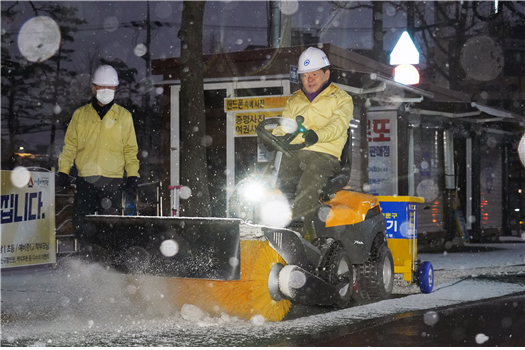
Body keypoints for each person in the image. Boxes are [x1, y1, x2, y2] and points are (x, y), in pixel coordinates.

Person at [272, 47, 354, 241]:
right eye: (305, 75)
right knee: (272, 180)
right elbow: (284, 126)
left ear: (326, 74)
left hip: (325, 156)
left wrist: (317, 135)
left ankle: (302, 235)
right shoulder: (295, 100)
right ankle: (264, 223)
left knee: (311, 178)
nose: (309, 80)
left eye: (314, 74)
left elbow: (338, 126)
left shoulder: (341, 99)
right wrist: (273, 136)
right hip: (295, 154)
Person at [57, 64, 140, 249]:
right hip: (86, 180)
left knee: (111, 228)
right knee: (82, 225)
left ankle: (110, 266)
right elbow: (70, 146)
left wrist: (133, 176)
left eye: (110, 87)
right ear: (93, 88)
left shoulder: (124, 117)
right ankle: (89, 264)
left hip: (113, 182)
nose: (106, 91)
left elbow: (130, 150)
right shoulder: (80, 115)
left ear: (116, 89)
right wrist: (63, 170)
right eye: (102, 87)